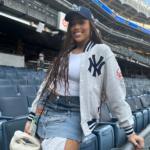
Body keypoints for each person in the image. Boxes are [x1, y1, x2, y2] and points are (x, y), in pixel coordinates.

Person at [24, 6, 144, 150]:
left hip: (74, 112)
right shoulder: (66, 53)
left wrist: (129, 131)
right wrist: (31, 117)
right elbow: (46, 86)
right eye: (73, 24)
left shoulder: (102, 51)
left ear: (91, 25)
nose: (76, 27)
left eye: (81, 22)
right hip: (47, 108)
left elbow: (115, 92)